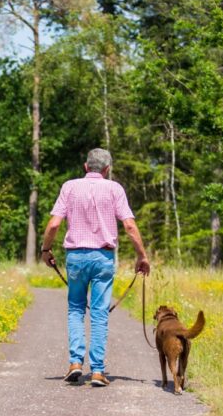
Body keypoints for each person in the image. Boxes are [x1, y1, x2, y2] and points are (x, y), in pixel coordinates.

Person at [40, 148, 150, 387]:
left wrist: (46, 250)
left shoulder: (69, 187)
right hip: (103, 257)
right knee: (100, 314)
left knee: (76, 309)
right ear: (107, 169)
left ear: (86, 166)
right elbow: (130, 227)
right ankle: (98, 371)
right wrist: (142, 256)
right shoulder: (115, 189)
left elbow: (54, 224)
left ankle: (75, 364)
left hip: (76, 257)